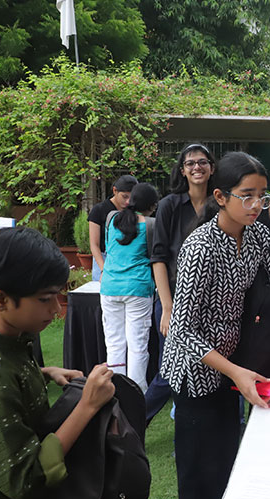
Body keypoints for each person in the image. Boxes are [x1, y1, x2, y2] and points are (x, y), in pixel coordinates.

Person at [161, 151, 270, 499]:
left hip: (236, 366)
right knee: (198, 473)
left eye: (262, 196)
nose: (256, 205)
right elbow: (181, 330)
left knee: (227, 461)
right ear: (221, 197)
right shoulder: (200, 247)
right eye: (247, 196)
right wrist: (233, 371)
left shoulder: (258, 236)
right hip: (196, 373)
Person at [0, 227, 115, 499]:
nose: (56, 308)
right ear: (0, 300)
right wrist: (88, 405)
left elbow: (10, 378)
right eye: (45, 299)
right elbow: (25, 477)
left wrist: (44, 373)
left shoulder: (1, 340)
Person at [146, 143, 215, 425]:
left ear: (211, 167)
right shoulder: (169, 205)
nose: (197, 167)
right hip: (173, 299)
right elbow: (158, 258)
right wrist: (167, 307)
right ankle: (129, 422)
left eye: (202, 162)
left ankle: (209, 426)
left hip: (211, 302)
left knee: (210, 369)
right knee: (169, 371)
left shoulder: (219, 203)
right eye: (190, 163)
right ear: (183, 171)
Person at [100, 182, 158, 393]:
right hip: (138, 288)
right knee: (137, 345)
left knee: (114, 343)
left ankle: (115, 390)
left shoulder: (112, 218)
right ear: (151, 205)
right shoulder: (151, 224)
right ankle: (136, 393)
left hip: (109, 287)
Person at [88, 174, 138, 281]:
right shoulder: (99, 210)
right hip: (103, 259)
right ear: (115, 190)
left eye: (132, 197)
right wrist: (103, 269)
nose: (128, 201)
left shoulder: (134, 211)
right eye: (125, 196)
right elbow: (94, 244)